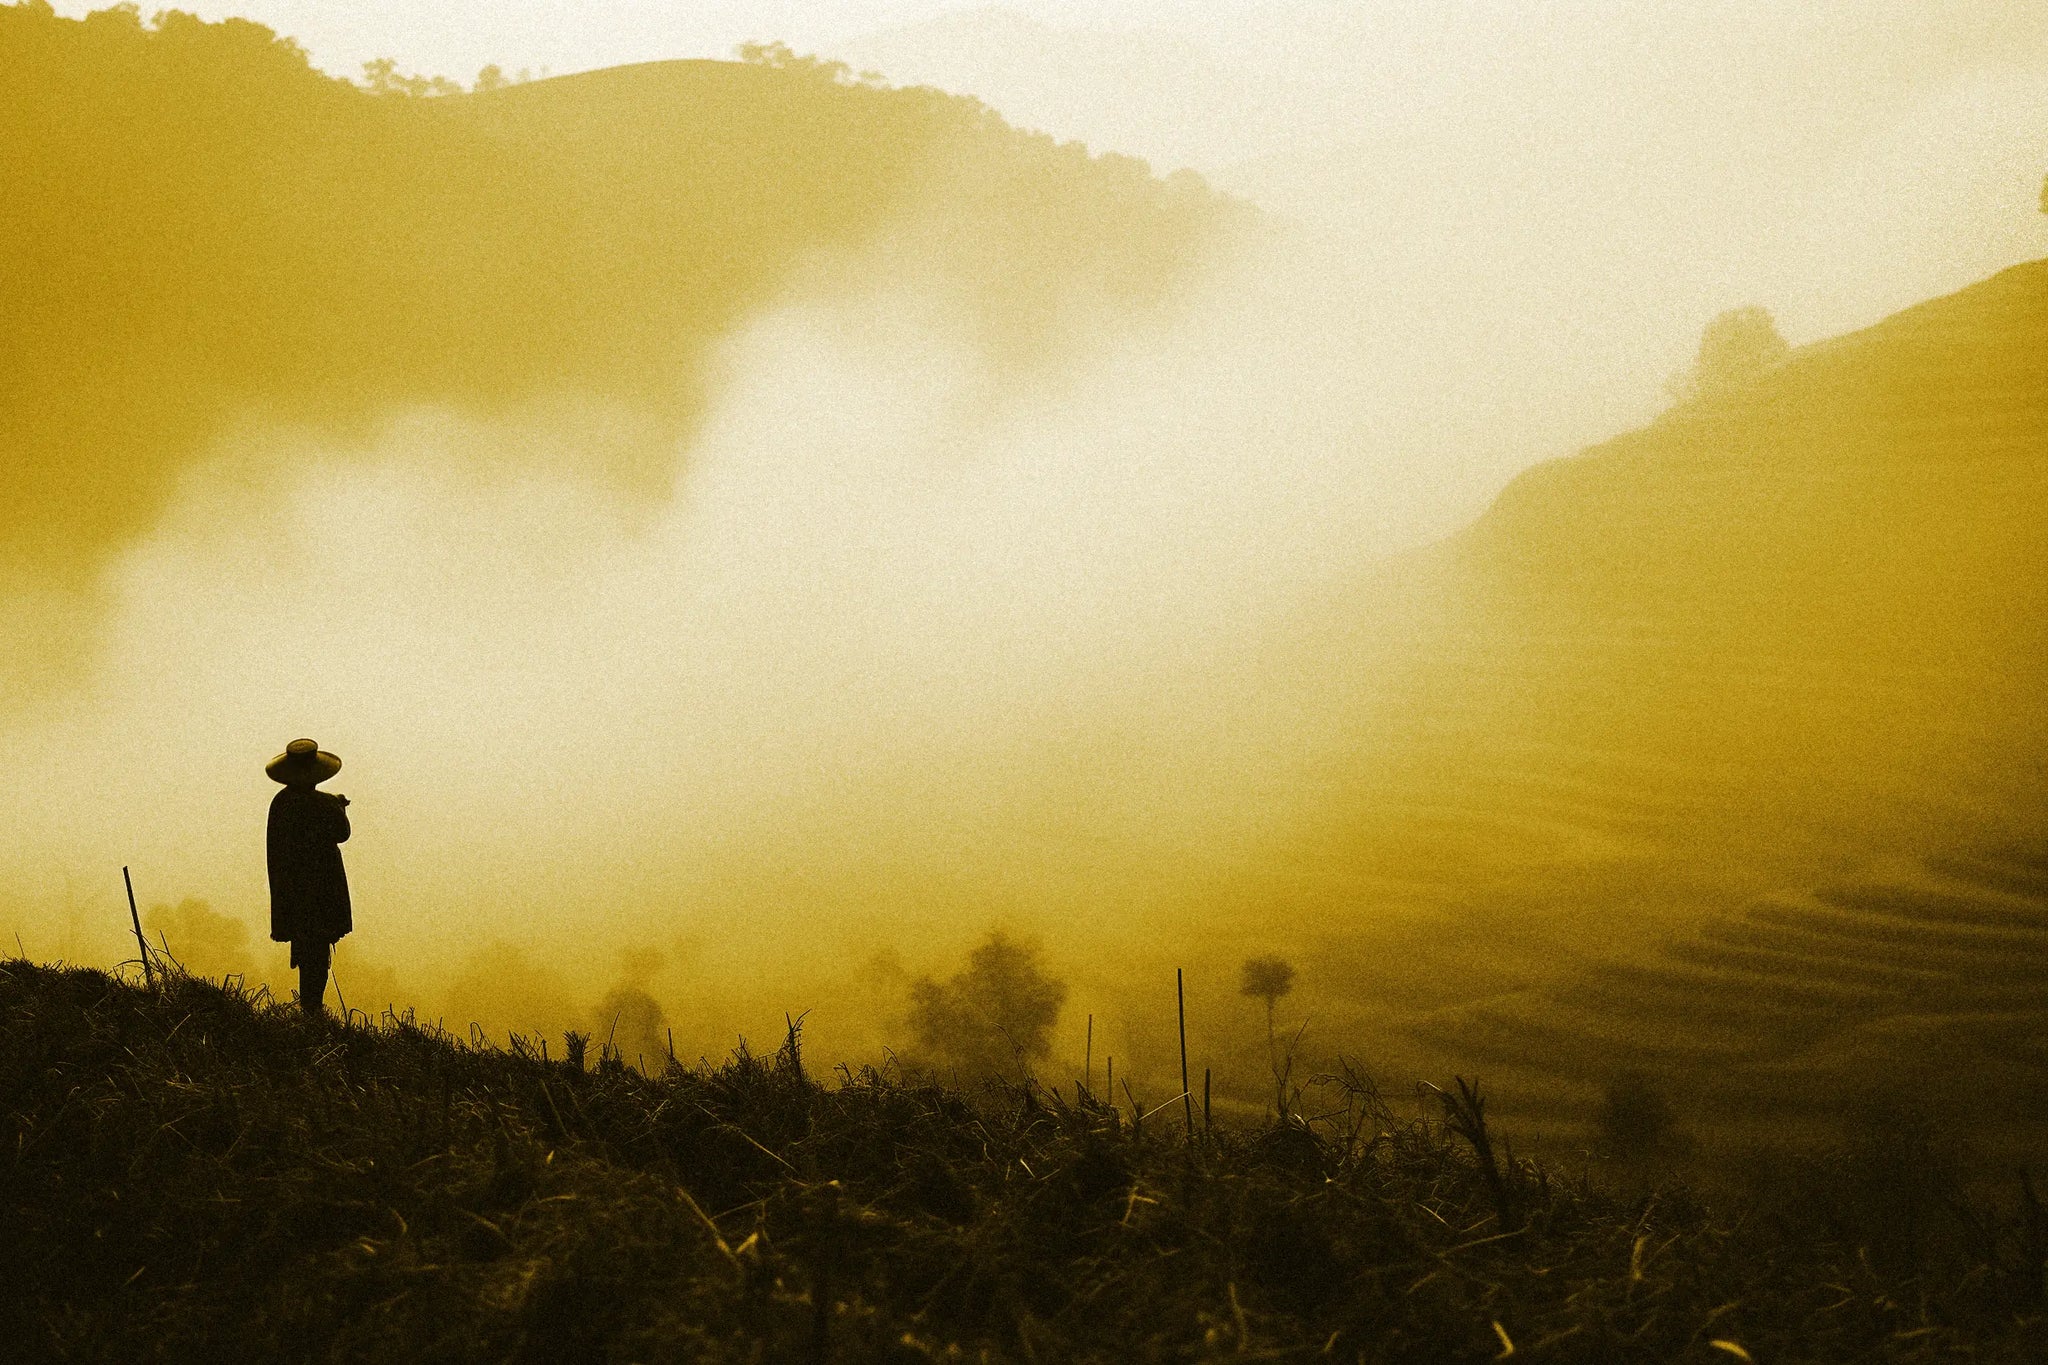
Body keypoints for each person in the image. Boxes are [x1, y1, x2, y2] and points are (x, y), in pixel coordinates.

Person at [265, 738, 352, 1016]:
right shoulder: (323, 804)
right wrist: (339, 807)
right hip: (322, 894)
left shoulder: (280, 804)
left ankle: (309, 1007)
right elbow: (342, 833)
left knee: (306, 952)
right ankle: (312, 1010)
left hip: (292, 894)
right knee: (317, 953)